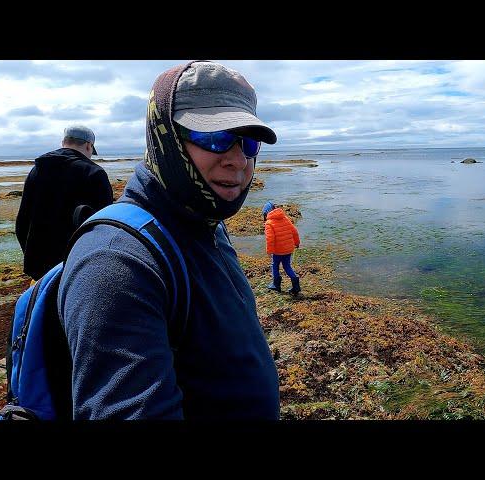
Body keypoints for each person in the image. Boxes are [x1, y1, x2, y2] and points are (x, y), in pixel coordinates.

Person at [57, 61, 280, 419]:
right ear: (164, 136)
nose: (238, 160)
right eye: (215, 137)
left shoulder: (206, 223)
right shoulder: (116, 261)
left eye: (248, 141)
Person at [15, 125, 113, 280]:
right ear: (89, 146)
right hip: (77, 268)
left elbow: (22, 221)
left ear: (63, 142)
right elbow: (105, 226)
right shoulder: (94, 173)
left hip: (39, 268)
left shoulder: (37, 169)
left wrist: (31, 258)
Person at [263, 201, 301, 295]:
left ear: (266, 212)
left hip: (277, 251)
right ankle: (296, 285)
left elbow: (270, 239)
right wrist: (297, 243)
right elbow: (294, 231)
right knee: (287, 266)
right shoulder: (285, 218)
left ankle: (276, 285)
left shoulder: (269, 223)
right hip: (288, 249)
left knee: (275, 266)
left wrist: (269, 251)